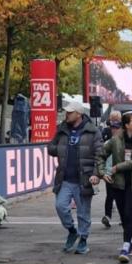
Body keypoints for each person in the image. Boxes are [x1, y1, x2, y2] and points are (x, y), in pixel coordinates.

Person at [47, 99, 102, 254]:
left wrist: (96, 174)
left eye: (70, 112)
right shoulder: (62, 129)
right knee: (60, 206)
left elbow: (100, 154)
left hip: (83, 179)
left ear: (79, 114)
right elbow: (51, 148)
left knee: (83, 213)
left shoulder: (93, 131)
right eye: (67, 112)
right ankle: (72, 230)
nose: (67, 114)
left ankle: (83, 239)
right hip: (64, 178)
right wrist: (60, 148)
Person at [96, 112, 132, 263]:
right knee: (124, 216)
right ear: (126, 125)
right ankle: (130, 242)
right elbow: (101, 155)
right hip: (118, 184)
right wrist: (102, 172)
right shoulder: (115, 140)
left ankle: (125, 246)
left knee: (129, 214)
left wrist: (117, 167)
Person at [100, 110, 123, 228]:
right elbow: (101, 158)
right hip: (109, 173)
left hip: (122, 173)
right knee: (110, 195)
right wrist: (102, 172)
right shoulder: (107, 142)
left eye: (117, 127)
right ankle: (107, 216)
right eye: (113, 127)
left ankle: (124, 217)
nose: (114, 129)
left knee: (121, 197)